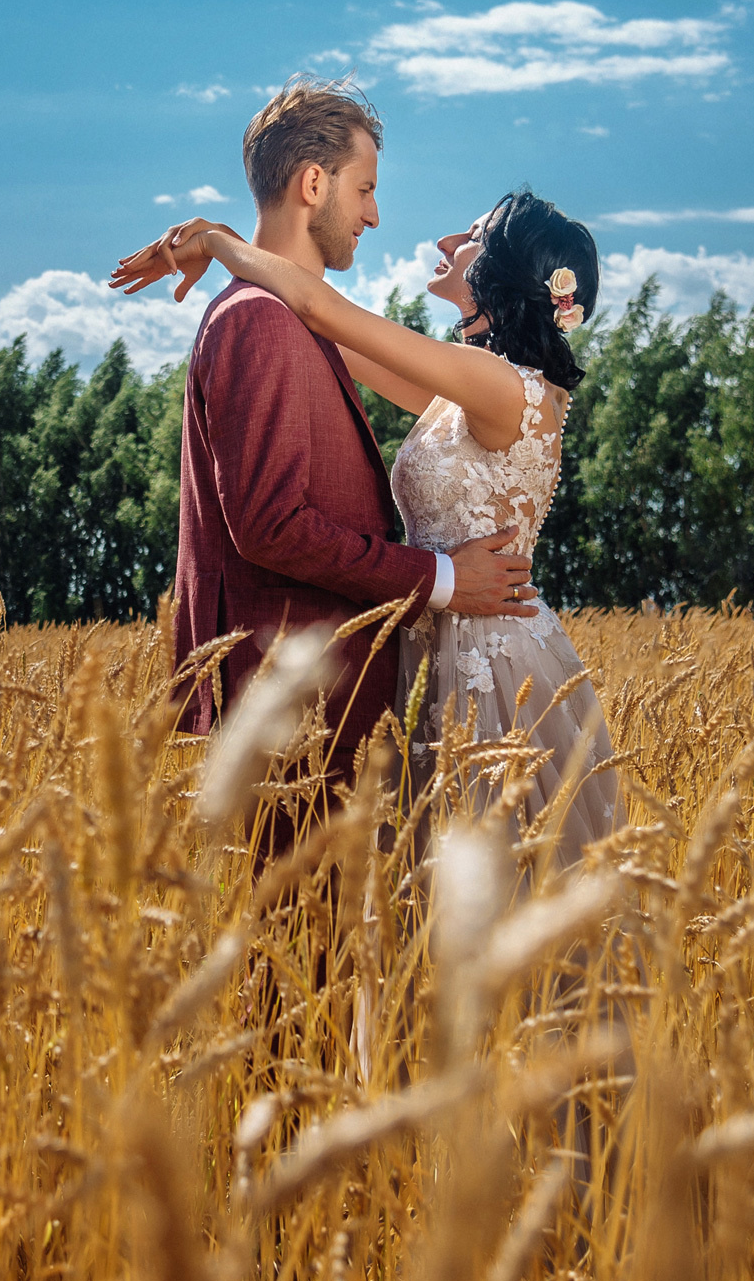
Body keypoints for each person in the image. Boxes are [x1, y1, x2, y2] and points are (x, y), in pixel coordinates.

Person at [112, 170, 621, 876]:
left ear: (511, 270)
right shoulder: (470, 388)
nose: (447, 240)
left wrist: (217, 242)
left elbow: (321, 310)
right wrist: (236, 258)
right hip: (436, 636)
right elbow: (319, 327)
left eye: (473, 236)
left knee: (483, 879)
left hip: (487, 659)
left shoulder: (501, 387)